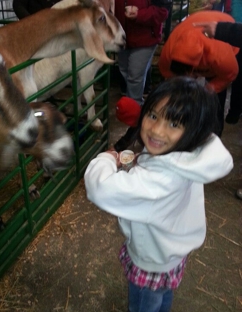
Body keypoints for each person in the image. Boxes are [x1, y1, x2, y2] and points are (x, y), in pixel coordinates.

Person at [84, 76, 233, 312]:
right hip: (171, 251)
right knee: (162, 297)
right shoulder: (192, 155)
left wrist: (106, 158)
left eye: (174, 124)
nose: (157, 130)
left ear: (194, 131)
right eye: (153, 115)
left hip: (152, 259)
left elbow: (99, 188)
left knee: (144, 305)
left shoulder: (159, 181)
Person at [158, 11, 239, 137]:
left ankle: (214, 135)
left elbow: (230, 74)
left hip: (223, 31)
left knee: (215, 100)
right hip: (193, 33)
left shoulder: (219, 55)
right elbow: (169, 76)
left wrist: (209, 89)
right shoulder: (167, 55)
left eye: (188, 75)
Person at [194, 20, 242, 200]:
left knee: (224, 94)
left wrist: (224, 29)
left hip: (227, 44)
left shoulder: (225, 61)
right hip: (222, 36)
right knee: (211, 100)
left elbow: (230, 72)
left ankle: (214, 140)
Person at [113, 0, 169, 152]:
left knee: (135, 76)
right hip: (122, 37)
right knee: (125, 71)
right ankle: (137, 110)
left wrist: (140, 14)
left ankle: (135, 119)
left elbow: (163, 11)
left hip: (145, 37)